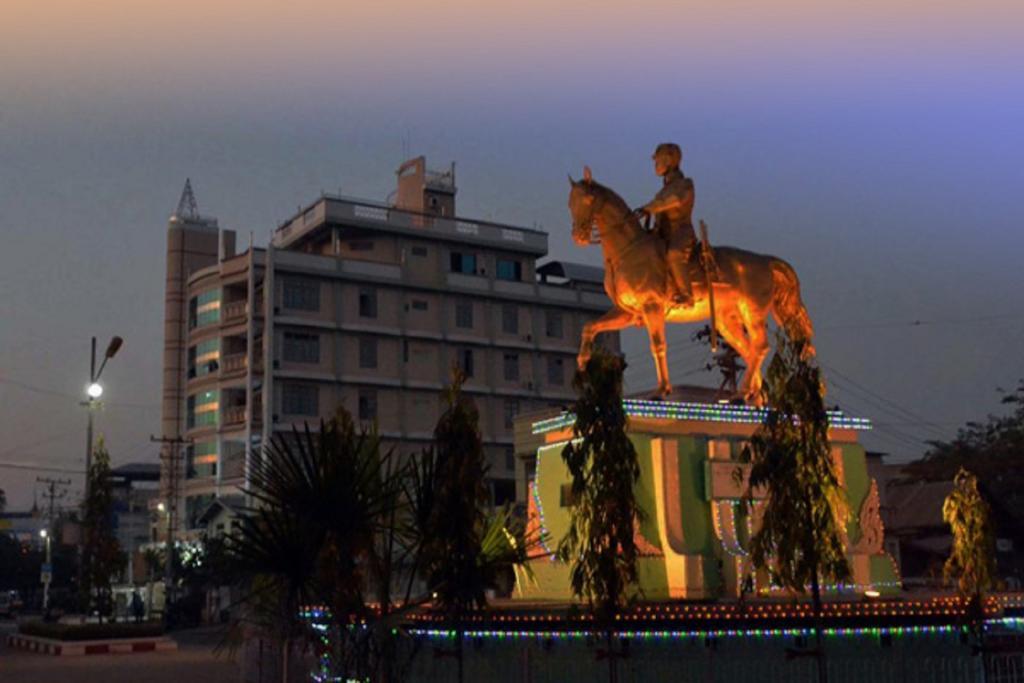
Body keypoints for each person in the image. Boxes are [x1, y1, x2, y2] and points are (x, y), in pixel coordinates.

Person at [633, 143, 697, 306]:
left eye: (657, 161)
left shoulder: (685, 184)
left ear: (669, 160)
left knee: (674, 255)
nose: (655, 165)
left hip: (680, 233)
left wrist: (650, 207)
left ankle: (686, 294)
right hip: (662, 234)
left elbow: (674, 200)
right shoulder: (663, 190)